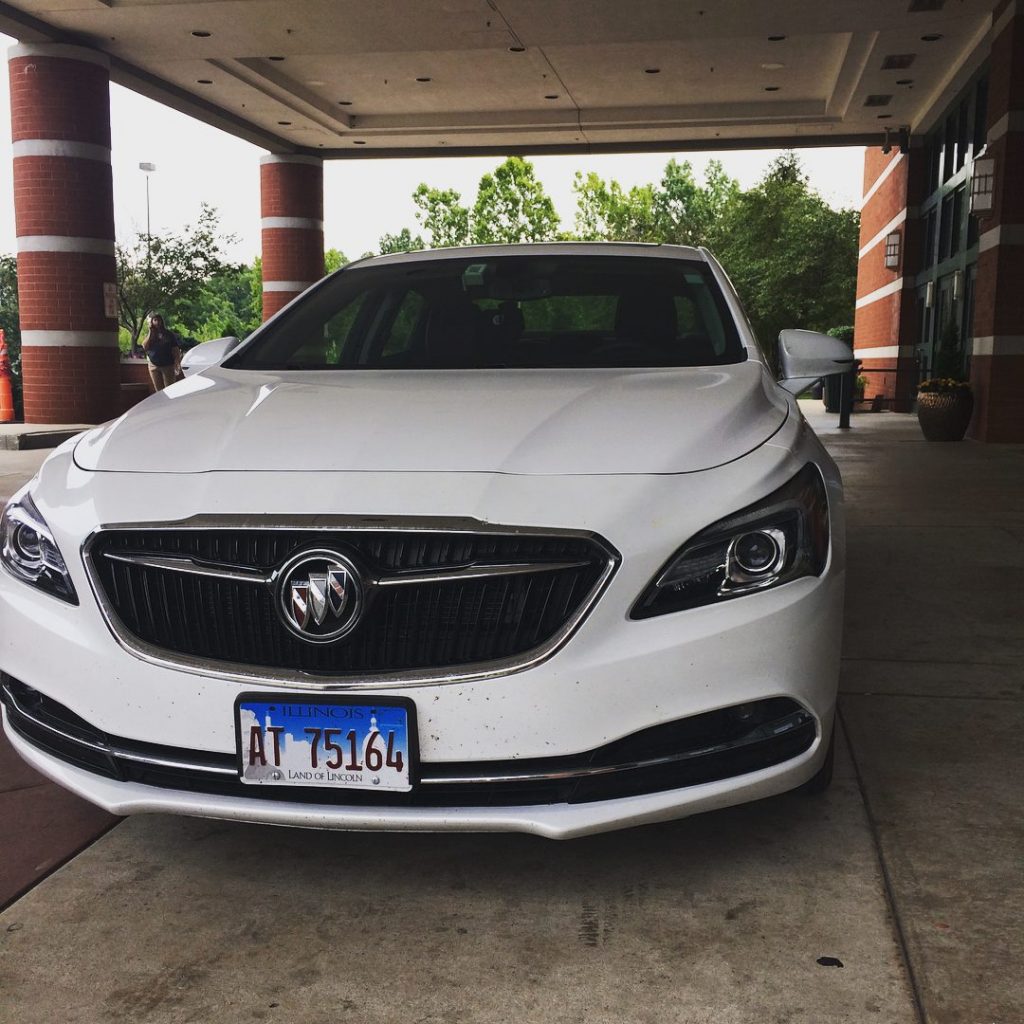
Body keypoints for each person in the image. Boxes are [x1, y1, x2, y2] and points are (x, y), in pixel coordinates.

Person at [142, 314, 182, 391]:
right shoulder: (150, 335)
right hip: (154, 365)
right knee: (159, 390)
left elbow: (175, 349)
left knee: (170, 389)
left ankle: (170, 403)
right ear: (152, 322)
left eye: (159, 320)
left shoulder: (169, 334)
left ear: (162, 321)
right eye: (155, 320)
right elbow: (144, 346)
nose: (157, 322)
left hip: (168, 365)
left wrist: (177, 362)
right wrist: (150, 332)